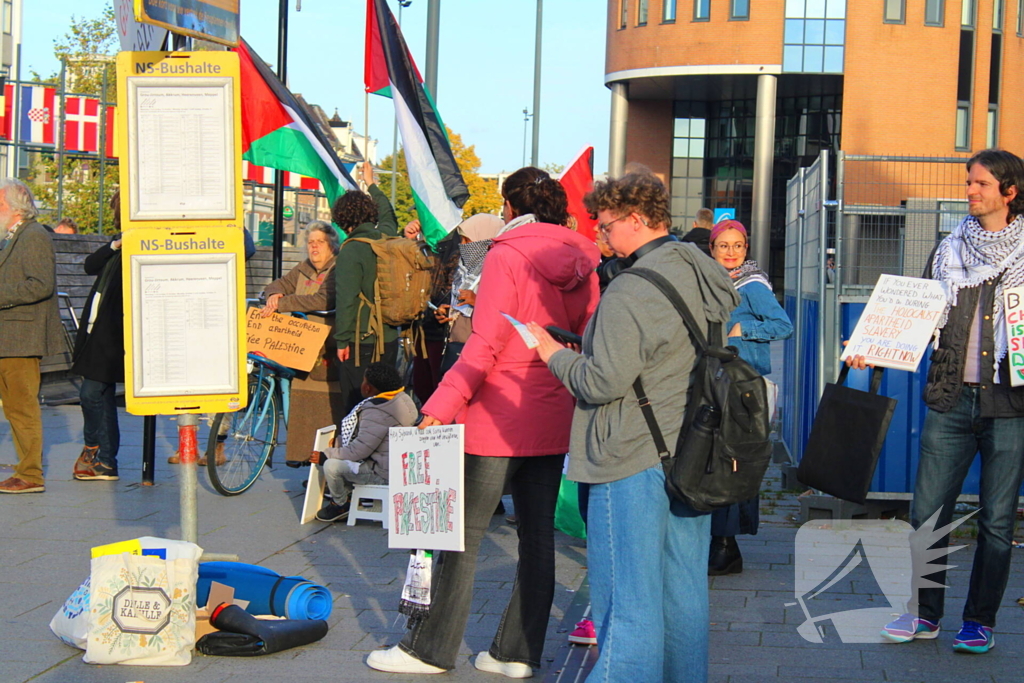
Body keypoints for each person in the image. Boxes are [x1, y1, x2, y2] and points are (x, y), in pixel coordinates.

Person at [366, 167, 600, 677]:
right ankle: (517, 653)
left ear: (510, 208)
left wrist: (439, 407)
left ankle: (427, 650)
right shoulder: (585, 258)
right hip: (552, 411)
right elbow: (587, 337)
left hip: (497, 416)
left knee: (460, 538)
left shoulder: (506, 254)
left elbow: (486, 343)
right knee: (538, 539)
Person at [527, 173, 739, 681]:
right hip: (694, 451)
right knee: (684, 595)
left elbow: (600, 383)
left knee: (628, 605)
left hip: (631, 457)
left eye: (605, 227)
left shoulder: (630, 288)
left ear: (637, 221)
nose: (601, 237)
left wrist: (552, 354)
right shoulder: (704, 271)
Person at [848, 149, 1024, 654]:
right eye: (969, 182)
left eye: (981, 184)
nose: (970, 190)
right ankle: (924, 616)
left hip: (1010, 406)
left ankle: (980, 620)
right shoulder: (949, 250)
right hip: (949, 401)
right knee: (927, 513)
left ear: (1009, 192)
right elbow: (915, 316)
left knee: (995, 520)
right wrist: (872, 348)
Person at [706, 219, 793, 575]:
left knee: (732, 461)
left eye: (737, 246)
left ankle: (727, 545)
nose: (730, 252)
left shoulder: (752, 285)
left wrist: (746, 329)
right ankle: (719, 542)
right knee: (714, 459)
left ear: (746, 249)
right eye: (723, 245)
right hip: (714, 381)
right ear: (711, 249)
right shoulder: (709, 281)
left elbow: (783, 325)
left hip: (742, 383)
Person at [0, 179, 65, 494]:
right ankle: (26, 468)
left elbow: (41, 284)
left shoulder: (34, 236)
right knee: (13, 407)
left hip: (21, 337)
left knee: (22, 406)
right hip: (9, 337)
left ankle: (31, 475)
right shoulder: (14, 236)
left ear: (14, 207)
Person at [262, 220, 341, 465]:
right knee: (302, 401)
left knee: (326, 406)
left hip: (327, 346)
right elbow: (279, 284)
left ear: (331, 246)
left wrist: (283, 304)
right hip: (302, 345)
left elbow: (322, 300)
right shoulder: (304, 268)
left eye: (320, 242)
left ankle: (322, 462)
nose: (314, 247)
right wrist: (273, 294)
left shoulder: (337, 267)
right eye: (310, 242)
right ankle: (301, 456)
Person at [310, 362, 417, 522]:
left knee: (331, 466)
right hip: (399, 467)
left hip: (383, 473)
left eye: (364, 381)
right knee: (340, 457)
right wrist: (339, 443)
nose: (362, 384)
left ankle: (340, 504)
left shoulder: (376, 411)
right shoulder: (403, 398)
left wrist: (327, 455)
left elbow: (358, 451)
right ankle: (345, 491)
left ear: (368, 388)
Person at [334, 162, 399, 413]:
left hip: (361, 342)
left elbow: (347, 300)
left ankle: (356, 452)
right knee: (385, 407)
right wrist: (371, 184)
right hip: (390, 338)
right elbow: (388, 213)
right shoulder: (386, 237)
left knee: (357, 409)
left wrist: (341, 341)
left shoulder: (351, 250)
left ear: (342, 218)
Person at [70, 192, 125, 481]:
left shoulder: (143, 243)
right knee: (100, 396)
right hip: (97, 331)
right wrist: (115, 245)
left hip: (112, 336)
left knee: (91, 393)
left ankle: (93, 449)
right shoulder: (119, 242)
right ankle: (106, 461)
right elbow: (90, 265)